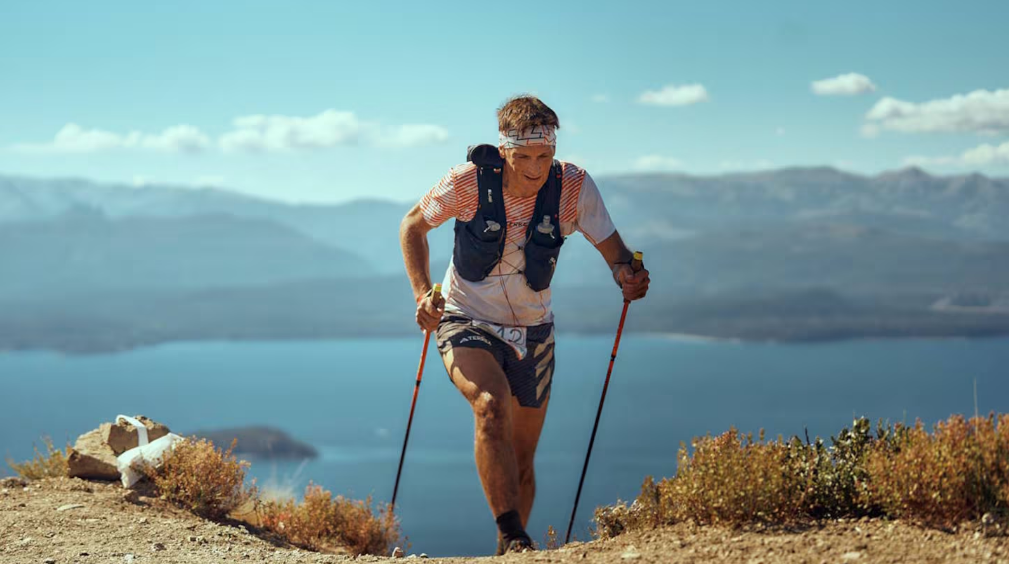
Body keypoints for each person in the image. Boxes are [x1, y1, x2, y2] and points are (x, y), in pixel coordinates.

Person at [399, 95, 650, 554]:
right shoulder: (468, 182)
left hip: (535, 331)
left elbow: (615, 251)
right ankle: (516, 537)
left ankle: (506, 551)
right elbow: (413, 226)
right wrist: (422, 293)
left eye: (544, 156)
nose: (535, 169)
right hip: (464, 317)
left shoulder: (572, 186)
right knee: (490, 407)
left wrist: (627, 276)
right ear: (503, 151)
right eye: (524, 158)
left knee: (523, 459)